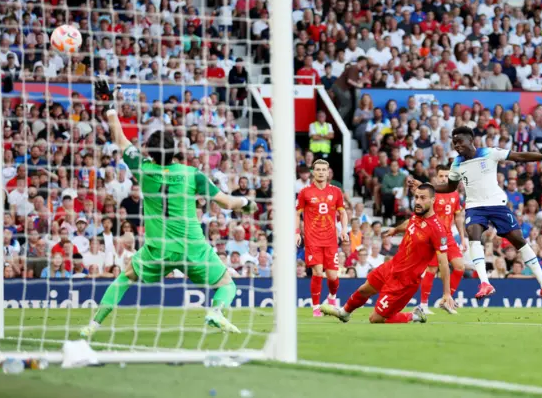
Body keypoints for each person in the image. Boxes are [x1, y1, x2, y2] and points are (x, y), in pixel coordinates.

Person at [81, 80, 257, 338]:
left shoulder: (144, 169)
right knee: (227, 284)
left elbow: (119, 138)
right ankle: (215, 312)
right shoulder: (191, 174)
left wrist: (109, 106)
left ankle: (93, 325)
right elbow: (228, 203)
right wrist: (247, 203)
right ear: (175, 151)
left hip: (159, 246)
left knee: (125, 278)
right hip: (192, 245)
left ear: (150, 153)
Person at [423, 126, 542, 301]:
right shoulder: (457, 163)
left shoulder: (489, 153)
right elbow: (450, 187)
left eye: (460, 142)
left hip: (496, 203)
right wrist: (427, 187)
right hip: (475, 206)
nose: (457, 146)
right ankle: (484, 283)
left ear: (470, 141)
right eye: (454, 143)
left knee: (519, 241)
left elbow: (518, 156)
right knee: (473, 234)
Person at [321, 184, 455, 324]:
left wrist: (446, 293)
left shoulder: (437, 229)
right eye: (416, 197)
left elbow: (443, 262)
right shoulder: (418, 215)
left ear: (433, 200)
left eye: (423, 198)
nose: (418, 201)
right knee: (364, 289)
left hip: (405, 281)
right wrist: (396, 230)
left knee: (375, 318)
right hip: (392, 266)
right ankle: (344, 313)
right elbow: (410, 222)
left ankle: (415, 315)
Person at [295, 159, 348, 317]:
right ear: (313, 172)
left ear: (328, 172)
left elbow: (342, 212)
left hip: (331, 239)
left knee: (333, 276)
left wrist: (344, 229)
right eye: (317, 169)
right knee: (317, 272)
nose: (320, 172)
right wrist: (297, 232)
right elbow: (297, 214)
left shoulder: (336, 192)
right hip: (313, 239)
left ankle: (332, 298)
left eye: (323, 169)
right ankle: (316, 307)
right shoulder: (305, 192)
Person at [417, 165, 467, 315]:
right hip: (433, 236)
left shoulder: (455, 194)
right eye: (441, 176)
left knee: (460, 267)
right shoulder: (433, 194)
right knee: (431, 269)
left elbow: (458, 216)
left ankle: (446, 299)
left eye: (446, 176)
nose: (444, 179)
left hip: (448, 236)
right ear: (436, 178)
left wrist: (463, 238)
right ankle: (423, 305)